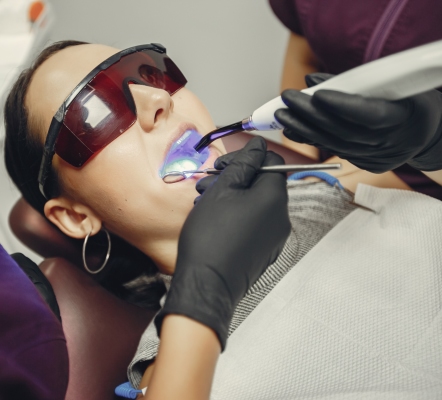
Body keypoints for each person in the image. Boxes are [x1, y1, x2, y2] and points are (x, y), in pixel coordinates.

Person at [4, 41, 441, 399]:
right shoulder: (167, 365)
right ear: (76, 217)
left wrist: (431, 143)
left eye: (150, 71)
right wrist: (205, 292)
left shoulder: (324, 183)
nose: (157, 100)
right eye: (94, 113)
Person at [269, 0, 442, 200]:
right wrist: (302, 159)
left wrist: (433, 145)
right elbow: (303, 60)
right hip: (323, 158)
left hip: (424, 183)